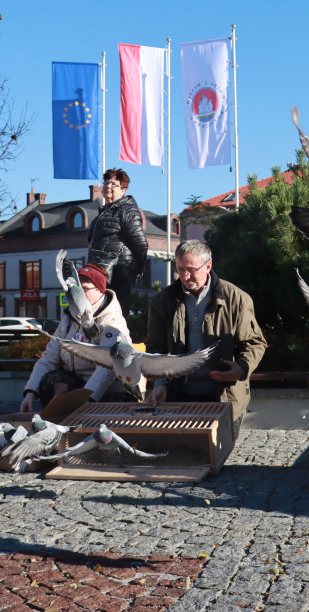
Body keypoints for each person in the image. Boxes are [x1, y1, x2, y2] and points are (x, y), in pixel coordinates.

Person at [145, 240, 267, 436]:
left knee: (219, 460)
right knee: (185, 458)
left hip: (225, 397)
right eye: (180, 269)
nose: (184, 276)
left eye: (191, 270)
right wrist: (159, 384)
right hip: (178, 397)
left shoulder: (236, 298)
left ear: (208, 266)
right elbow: (155, 348)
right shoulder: (162, 301)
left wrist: (242, 368)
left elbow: (254, 342)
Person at [20, 264, 142, 412]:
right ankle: (57, 424)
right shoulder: (69, 318)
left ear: (100, 290)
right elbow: (49, 358)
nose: (77, 294)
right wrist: (30, 393)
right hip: (79, 384)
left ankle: (70, 421)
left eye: (84, 289)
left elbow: (108, 366)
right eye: (75, 289)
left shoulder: (112, 322)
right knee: (52, 381)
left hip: (110, 391)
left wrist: (86, 398)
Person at [86, 168, 149, 323]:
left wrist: (139, 267)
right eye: (106, 182)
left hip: (118, 270)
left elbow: (140, 242)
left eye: (113, 183)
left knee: (115, 312)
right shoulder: (103, 212)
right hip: (102, 270)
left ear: (123, 189)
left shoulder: (126, 209)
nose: (108, 186)